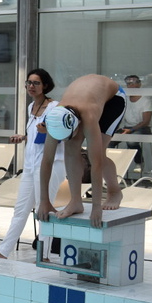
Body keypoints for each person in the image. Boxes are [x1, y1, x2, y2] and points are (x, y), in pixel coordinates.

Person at [0, 69, 66, 259]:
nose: (31, 86)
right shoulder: (31, 106)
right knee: (21, 209)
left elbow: (63, 135)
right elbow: (36, 134)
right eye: (29, 83)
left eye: (36, 83)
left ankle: (45, 254)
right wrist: (23, 137)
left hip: (50, 164)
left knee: (44, 208)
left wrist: (47, 132)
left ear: (45, 86)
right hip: (31, 164)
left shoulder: (55, 107)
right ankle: (3, 250)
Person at [38, 74, 126, 228]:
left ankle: (114, 191)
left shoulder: (88, 116)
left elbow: (96, 164)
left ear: (77, 123)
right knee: (71, 146)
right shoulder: (54, 118)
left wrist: (96, 207)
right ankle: (75, 201)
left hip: (114, 99)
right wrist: (44, 201)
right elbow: (46, 161)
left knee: (99, 153)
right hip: (87, 96)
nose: (66, 140)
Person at [112, 74, 152, 166]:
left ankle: (139, 163)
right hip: (127, 127)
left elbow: (146, 122)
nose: (131, 85)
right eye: (128, 83)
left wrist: (131, 130)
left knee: (131, 141)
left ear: (139, 84)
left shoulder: (146, 100)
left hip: (142, 128)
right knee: (110, 140)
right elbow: (119, 116)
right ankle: (113, 165)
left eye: (133, 83)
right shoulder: (125, 99)